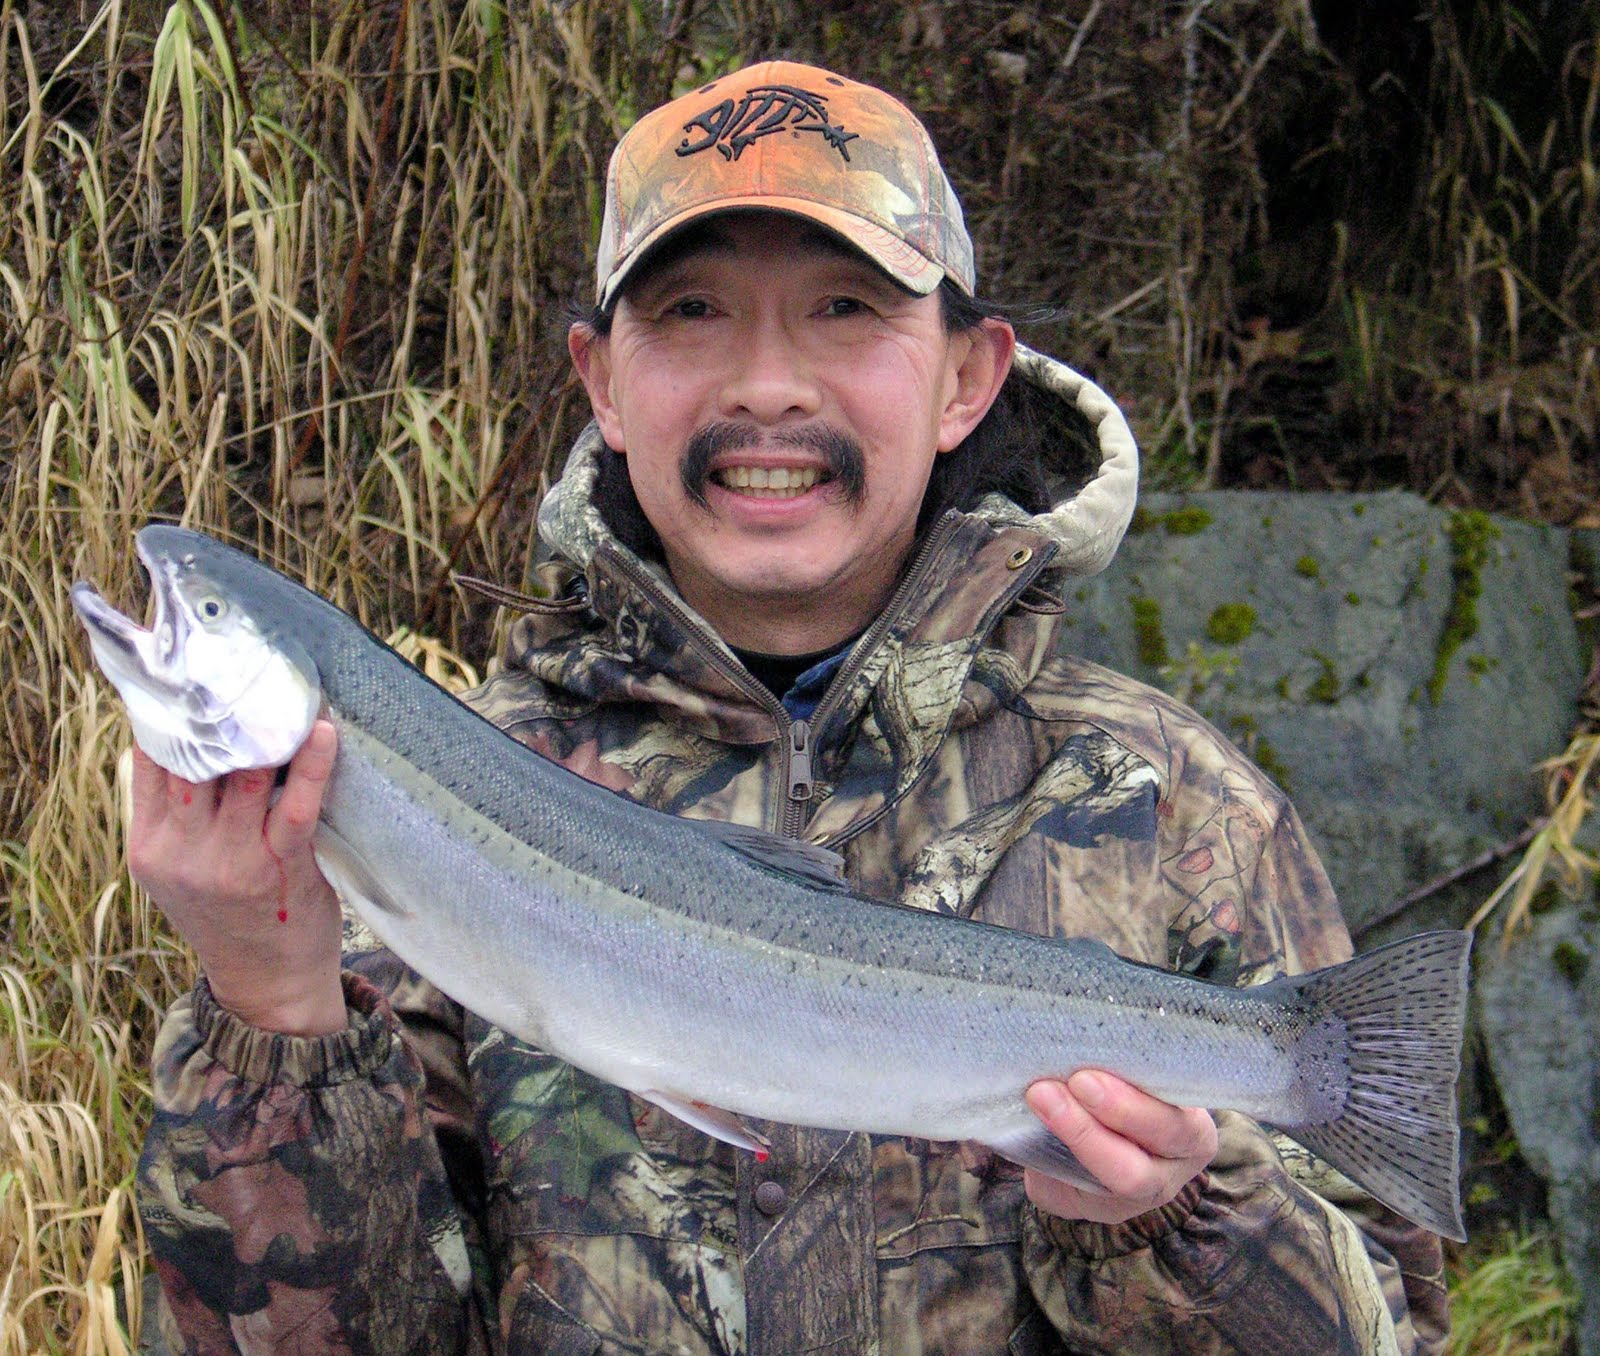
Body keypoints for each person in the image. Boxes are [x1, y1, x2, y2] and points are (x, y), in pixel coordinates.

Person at [132, 60, 1450, 1353]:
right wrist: (270, 1014)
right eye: (693, 311)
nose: (768, 383)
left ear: (967, 378)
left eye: (844, 310)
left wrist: (1172, 1220)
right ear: (601, 381)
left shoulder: (1172, 803)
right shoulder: (389, 832)